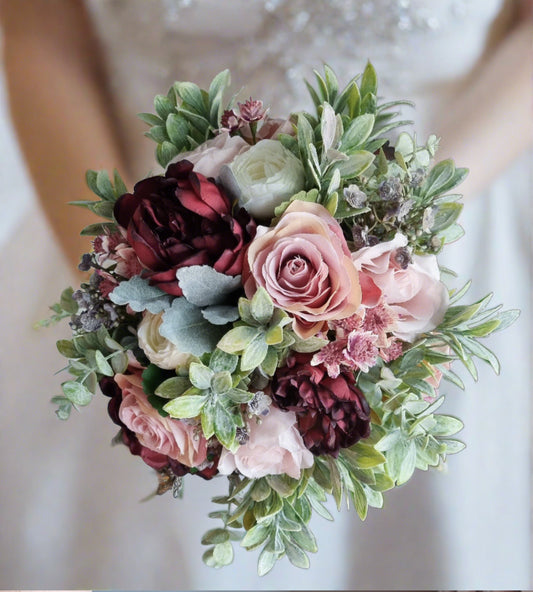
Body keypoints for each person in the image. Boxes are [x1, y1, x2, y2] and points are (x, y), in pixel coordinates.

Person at [0, 0, 531, 588]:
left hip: (428, 248)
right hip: (148, 249)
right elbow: (42, 37)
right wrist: (126, 290)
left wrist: (392, 233)